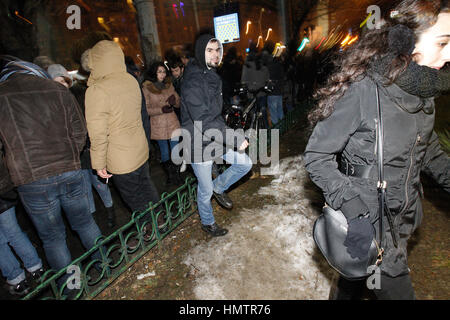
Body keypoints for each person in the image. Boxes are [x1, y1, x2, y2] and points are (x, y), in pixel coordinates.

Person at [304, 0, 450, 300]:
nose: (449, 54)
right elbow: (317, 157)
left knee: (353, 278)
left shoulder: (424, 89)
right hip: (368, 222)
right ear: (407, 42)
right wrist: (355, 213)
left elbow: (428, 150)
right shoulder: (364, 89)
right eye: (443, 42)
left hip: (401, 218)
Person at [0, 57, 103, 289]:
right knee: (85, 223)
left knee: (54, 238)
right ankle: (104, 264)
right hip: (69, 170)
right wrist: (70, 155)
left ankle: (72, 287)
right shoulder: (56, 89)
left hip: (32, 180)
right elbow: (80, 131)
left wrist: (11, 174)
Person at [84, 40, 160, 246]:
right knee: (147, 186)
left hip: (120, 159)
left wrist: (98, 164)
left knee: (135, 199)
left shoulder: (96, 90)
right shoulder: (130, 79)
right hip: (140, 149)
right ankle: (162, 220)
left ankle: (150, 233)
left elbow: (97, 133)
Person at [180, 34, 253, 237]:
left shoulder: (210, 75)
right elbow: (203, 119)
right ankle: (208, 222)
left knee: (244, 164)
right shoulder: (193, 81)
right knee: (204, 190)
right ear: (200, 52)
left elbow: (214, 111)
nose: (215, 54)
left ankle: (219, 188)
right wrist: (234, 139)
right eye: (209, 50)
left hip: (214, 136)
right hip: (197, 144)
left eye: (218, 50)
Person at [0, 158, 44, 297]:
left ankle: (18, 281)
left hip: (2, 190)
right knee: (14, 232)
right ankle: (37, 269)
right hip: (2, 191)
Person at [142, 61, 182, 185]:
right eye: (159, 72)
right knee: (164, 151)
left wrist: (174, 101)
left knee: (175, 150)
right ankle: (170, 176)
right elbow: (146, 109)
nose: (163, 75)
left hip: (172, 122)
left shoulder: (169, 85)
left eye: (164, 71)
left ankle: (177, 175)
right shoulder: (147, 88)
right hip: (158, 125)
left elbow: (179, 103)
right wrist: (161, 109)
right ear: (154, 73)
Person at [241, 43, 270, 128]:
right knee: (263, 112)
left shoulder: (247, 64)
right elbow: (266, 76)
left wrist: (245, 86)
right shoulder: (261, 62)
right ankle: (267, 134)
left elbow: (244, 79)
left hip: (251, 92)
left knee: (253, 115)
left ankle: (254, 136)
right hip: (262, 91)